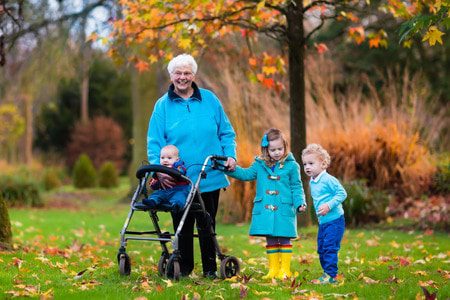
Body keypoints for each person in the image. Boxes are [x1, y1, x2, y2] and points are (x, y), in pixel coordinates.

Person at [147, 53, 237, 279]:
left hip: (210, 174)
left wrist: (230, 155)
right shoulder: (162, 106)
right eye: (178, 73)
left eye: (187, 73)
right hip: (178, 179)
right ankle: (185, 268)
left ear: (194, 75)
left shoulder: (210, 100)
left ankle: (209, 269)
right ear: (171, 75)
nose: (182, 77)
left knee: (207, 222)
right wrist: (159, 168)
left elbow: (226, 132)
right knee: (182, 223)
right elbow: (154, 141)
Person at [225, 128, 306, 280]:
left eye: (280, 149)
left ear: (285, 147)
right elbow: (246, 174)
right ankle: (273, 269)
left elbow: (296, 186)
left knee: (284, 238)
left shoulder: (292, 166)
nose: (276, 152)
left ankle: (285, 270)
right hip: (266, 209)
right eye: (273, 149)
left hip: (284, 208)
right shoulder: (260, 165)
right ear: (266, 149)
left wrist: (300, 202)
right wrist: (230, 170)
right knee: (270, 238)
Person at [301, 143, 347, 284]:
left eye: (311, 163)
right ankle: (326, 273)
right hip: (323, 222)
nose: (307, 167)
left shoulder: (328, 180)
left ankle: (331, 276)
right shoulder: (312, 182)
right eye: (305, 164)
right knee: (321, 249)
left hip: (335, 220)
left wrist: (329, 205)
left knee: (329, 247)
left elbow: (342, 193)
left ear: (323, 163)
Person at [143, 145, 189, 212]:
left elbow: (182, 171)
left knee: (180, 196)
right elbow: (154, 186)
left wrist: (175, 171)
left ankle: (176, 205)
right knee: (156, 194)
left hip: (178, 190)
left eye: (169, 158)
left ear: (177, 159)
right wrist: (154, 182)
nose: (165, 160)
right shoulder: (159, 170)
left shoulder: (179, 166)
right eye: (162, 158)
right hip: (164, 191)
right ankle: (152, 202)